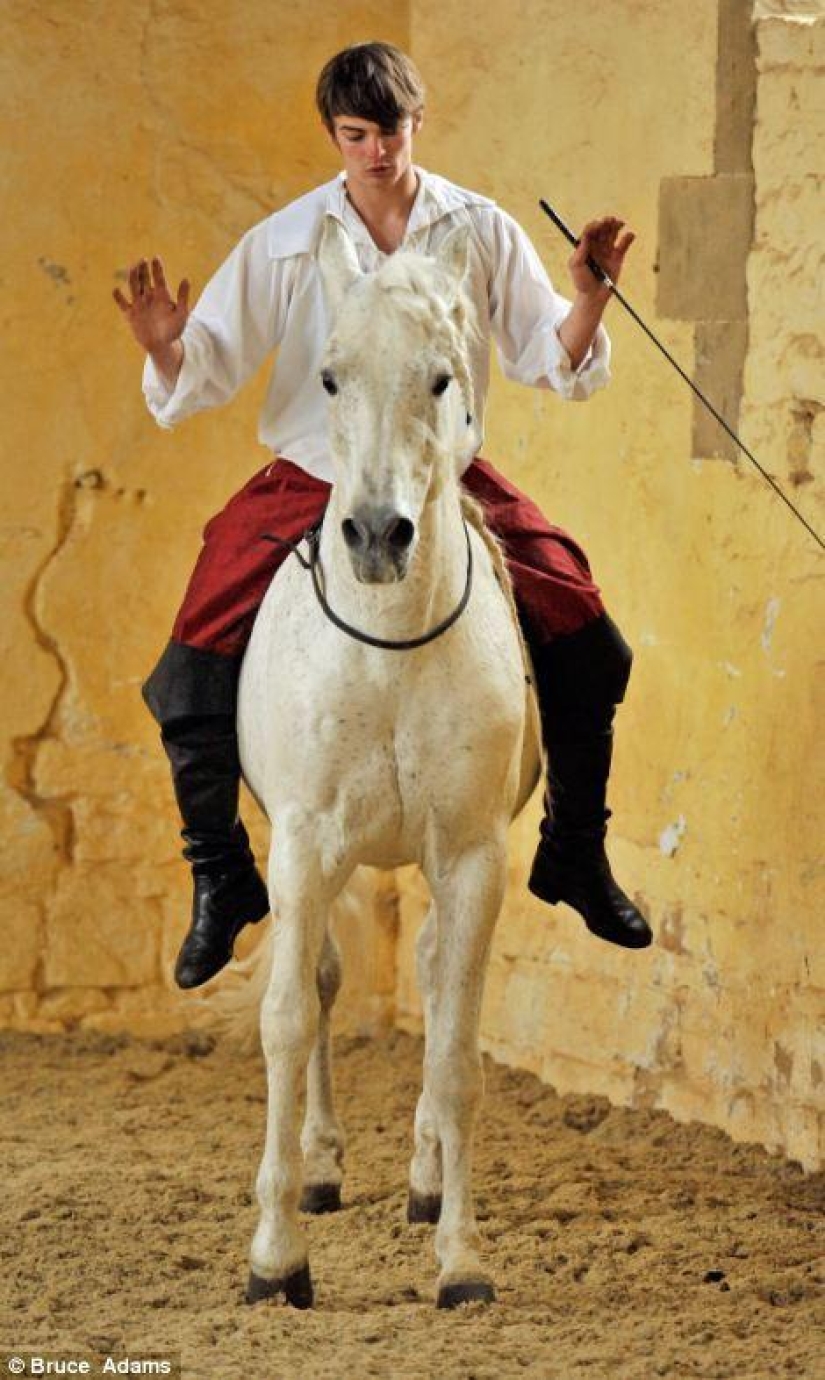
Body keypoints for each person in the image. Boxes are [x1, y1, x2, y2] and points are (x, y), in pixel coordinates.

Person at [113, 41, 652, 991]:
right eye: (355, 135)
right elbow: (208, 365)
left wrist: (587, 299)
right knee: (190, 656)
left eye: (390, 132)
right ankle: (222, 877)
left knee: (589, 636)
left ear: (418, 122)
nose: (375, 152)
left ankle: (573, 847)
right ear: (333, 134)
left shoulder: (479, 228)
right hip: (314, 475)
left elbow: (548, 357)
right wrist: (166, 349)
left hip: (444, 477)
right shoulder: (286, 242)